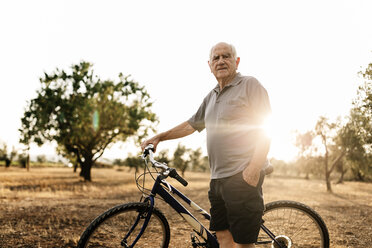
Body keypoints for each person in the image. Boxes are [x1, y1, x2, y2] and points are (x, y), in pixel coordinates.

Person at [141, 42, 271, 248]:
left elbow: (266, 127)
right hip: (217, 179)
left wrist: (254, 168)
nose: (221, 61)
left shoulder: (249, 85)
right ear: (209, 65)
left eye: (226, 56)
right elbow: (191, 125)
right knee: (223, 239)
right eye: (216, 58)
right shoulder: (211, 97)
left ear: (236, 62)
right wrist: (159, 137)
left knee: (244, 243)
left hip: (242, 175)